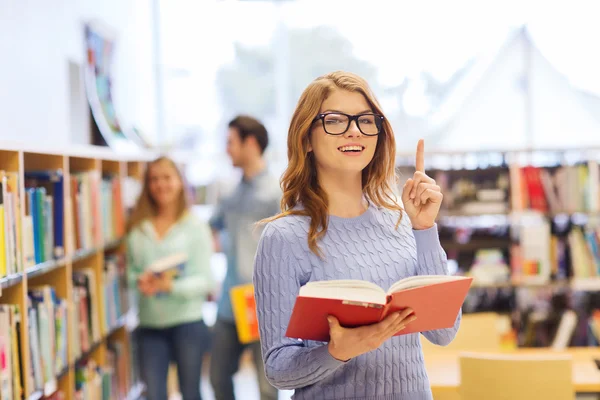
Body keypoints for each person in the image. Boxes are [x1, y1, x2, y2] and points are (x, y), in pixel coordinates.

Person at [253, 71, 461, 400]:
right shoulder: (284, 237)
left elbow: (444, 331)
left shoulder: (401, 221)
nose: (354, 130)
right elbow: (278, 369)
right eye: (335, 120)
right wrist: (337, 351)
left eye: (366, 120)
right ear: (306, 138)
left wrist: (424, 229)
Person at [126, 156, 214, 400]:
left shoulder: (195, 227)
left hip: (188, 323)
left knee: (190, 393)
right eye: (154, 179)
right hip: (150, 325)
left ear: (179, 182)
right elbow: (130, 273)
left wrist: (171, 286)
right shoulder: (137, 227)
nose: (160, 185)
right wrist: (139, 281)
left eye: (167, 178)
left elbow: (205, 280)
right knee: (153, 394)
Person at [209, 116, 280, 400]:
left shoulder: (277, 193)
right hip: (229, 302)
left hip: (264, 303)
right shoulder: (230, 193)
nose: (227, 149)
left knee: (267, 386)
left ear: (250, 143)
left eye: (231, 142)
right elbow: (212, 227)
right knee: (217, 376)